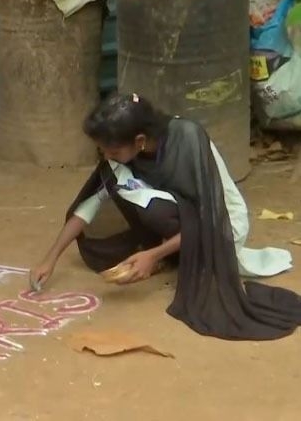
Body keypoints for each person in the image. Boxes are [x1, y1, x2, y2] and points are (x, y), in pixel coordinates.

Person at [28, 93, 301, 341]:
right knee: (121, 186)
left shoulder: (188, 139)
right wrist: (49, 258)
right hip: (179, 219)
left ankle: (168, 253)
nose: (106, 156)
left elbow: (208, 218)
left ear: (140, 141)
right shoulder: (125, 150)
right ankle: (169, 251)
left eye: (112, 152)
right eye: (103, 151)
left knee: (152, 207)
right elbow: (89, 205)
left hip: (222, 225)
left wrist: (154, 255)